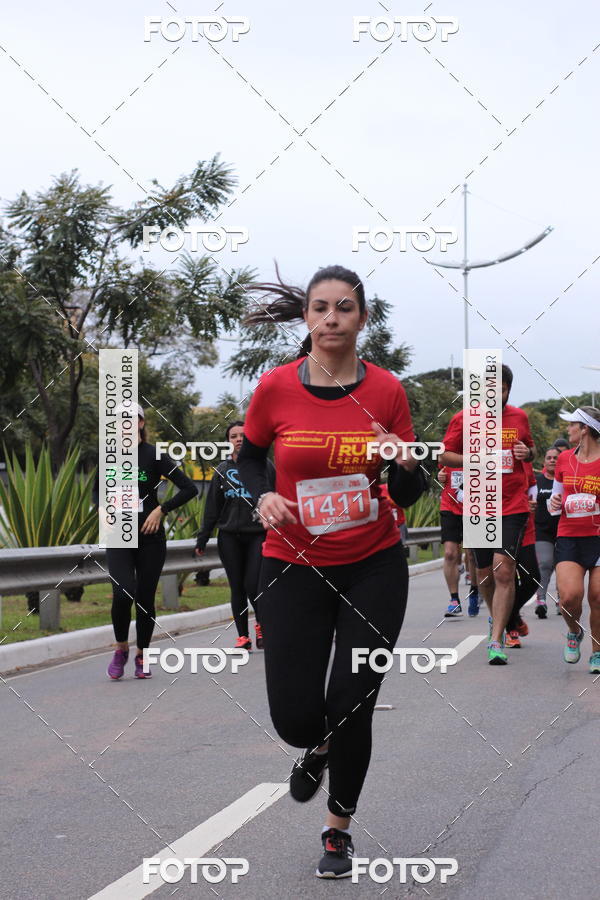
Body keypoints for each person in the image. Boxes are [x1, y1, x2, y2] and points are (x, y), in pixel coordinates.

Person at [236, 264, 427, 878]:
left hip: (372, 564)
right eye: (321, 308)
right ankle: (314, 746)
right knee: (294, 716)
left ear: (361, 319)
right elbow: (249, 459)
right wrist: (261, 495)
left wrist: (400, 463)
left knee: (353, 699)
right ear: (307, 318)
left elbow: (410, 490)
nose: (332, 319)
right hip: (291, 564)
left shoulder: (387, 392)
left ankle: (338, 829)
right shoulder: (274, 388)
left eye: (345, 308)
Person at [440, 364, 535, 664]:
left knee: (503, 569)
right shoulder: (463, 418)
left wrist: (526, 454)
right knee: (483, 575)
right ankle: (497, 618)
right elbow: (444, 454)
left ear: (508, 389)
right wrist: (474, 459)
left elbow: (530, 449)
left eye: (503, 389)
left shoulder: (519, 417)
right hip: (479, 504)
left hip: (512, 505)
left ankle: (496, 641)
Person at [97, 406, 198, 679]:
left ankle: (142, 655)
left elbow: (190, 487)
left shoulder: (154, 455)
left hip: (150, 538)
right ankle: (121, 649)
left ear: (141, 423)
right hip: (119, 536)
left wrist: (160, 510)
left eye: (132, 419)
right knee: (122, 593)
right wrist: (104, 513)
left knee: (144, 598)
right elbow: (99, 493)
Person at [194, 421, 275, 650]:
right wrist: (203, 537)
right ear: (228, 441)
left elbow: (277, 494)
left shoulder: (265, 466)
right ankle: (243, 636)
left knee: (253, 584)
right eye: (234, 436)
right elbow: (212, 507)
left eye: (243, 435)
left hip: (257, 534)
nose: (239, 439)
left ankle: (262, 626)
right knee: (237, 587)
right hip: (229, 536)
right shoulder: (221, 471)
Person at [549, 407, 600, 673]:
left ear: (585, 430)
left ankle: (597, 651)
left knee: (598, 596)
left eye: (572, 425)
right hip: (569, 536)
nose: (568, 429)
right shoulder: (565, 459)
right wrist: (554, 502)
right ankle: (574, 631)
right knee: (569, 597)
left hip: (598, 537)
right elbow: (554, 502)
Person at [505, 464, 540, 648]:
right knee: (505, 579)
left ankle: (511, 614)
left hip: (525, 526)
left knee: (532, 578)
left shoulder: (523, 458)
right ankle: (510, 629)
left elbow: (532, 484)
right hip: (499, 524)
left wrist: (532, 501)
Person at [437, 465, 479, 617]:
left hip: (475, 508)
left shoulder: (480, 448)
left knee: (473, 555)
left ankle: (474, 591)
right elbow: (442, 472)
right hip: (450, 507)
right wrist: (440, 475)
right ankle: (454, 600)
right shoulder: (448, 450)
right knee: (449, 554)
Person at [533, 446, 562, 618]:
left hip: (564, 529)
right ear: (544, 461)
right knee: (544, 563)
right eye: (549, 458)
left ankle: (562, 599)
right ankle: (541, 600)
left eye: (555, 458)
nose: (552, 460)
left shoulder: (565, 482)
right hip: (542, 531)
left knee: (563, 567)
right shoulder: (537, 482)